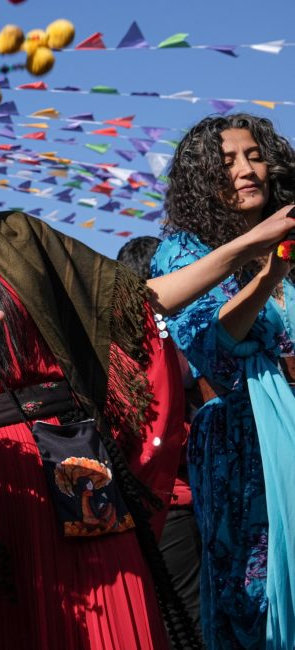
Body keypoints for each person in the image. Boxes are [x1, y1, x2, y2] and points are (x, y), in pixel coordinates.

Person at [0, 98, 295, 650]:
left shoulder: (23, 238)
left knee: (116, 626)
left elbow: (137, 303)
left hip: (74, 459)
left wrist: (253, 242)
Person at [150, 113, 295, 649]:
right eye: (226, 161)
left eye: (254, 155)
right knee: (253, 598)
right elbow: (215, 352)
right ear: (201, 180)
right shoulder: (185, 255)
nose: (245, 169)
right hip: (243, 439)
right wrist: (269, 269)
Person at [118, 235, 204, 639]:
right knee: (189, 621)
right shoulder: (162, 344)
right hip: (176, 501)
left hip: (144, 502)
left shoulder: (117, 349)